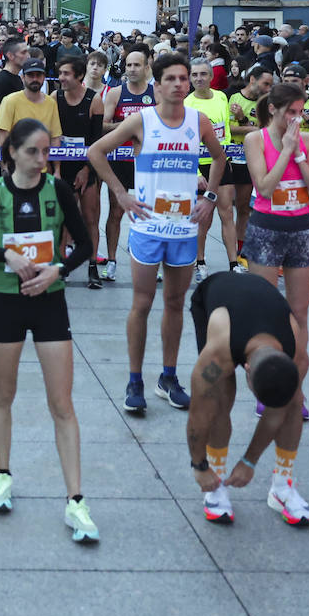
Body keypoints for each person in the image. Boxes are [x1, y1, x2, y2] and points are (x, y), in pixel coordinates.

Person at [0, 118, 99, 542]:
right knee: (3, 394)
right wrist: (6, 256)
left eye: (45, 151)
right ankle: (2, 475)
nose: (42, 159)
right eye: (33, 151)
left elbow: (86, 245)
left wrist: (58, 267)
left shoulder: (57, 190)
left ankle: (76, 500)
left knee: (62, 403)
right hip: (6, 302)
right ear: (12, 153)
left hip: (50, 303)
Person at [89, 51, 224, 414]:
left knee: (176, 304)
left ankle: (168, 377)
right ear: (157, 84)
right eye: (172, 79)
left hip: (183, 229)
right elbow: (96, 151)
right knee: (142, 304)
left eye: (184, 78)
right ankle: (135, 381)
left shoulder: (199, 121)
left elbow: (221, 157)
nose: (180, 85)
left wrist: (209, 197)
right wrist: (120, 194)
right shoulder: (142, 121)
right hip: (148, 227)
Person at [186, 271, 309, 526]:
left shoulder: (296, 353)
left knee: (294, 402)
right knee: (219, 398)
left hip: (263, 305)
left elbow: (280, 409)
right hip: (216, 299)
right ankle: (216, 479)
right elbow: (198, 412)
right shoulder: (216, 356)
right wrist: (199, 466)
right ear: (247, 368)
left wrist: (249, 461)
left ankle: (282, 487)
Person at [242, 81, 309, 420]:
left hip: (300, 228)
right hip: (266, 228)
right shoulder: (255, 139)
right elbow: (264, 185)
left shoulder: (306, 139)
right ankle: (265, 385)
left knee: (299, 314)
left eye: (300, 112)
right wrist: (286, 151)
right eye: (291, 112)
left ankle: (295, 390)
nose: (297, 119)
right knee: (265, 312)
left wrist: (300, 154)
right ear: (274, 109)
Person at [97, 48, 155, 280]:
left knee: (148, 211)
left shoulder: (155, 93)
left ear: (146, 67)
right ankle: (112, 260)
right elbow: (103, 125)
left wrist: (139, 125)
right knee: (116, 211)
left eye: (136, 65)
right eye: (128, 65)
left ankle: (149, 261)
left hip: (146, 160)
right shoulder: (115, 93)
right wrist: (129, 126)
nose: (131, 69)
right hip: (119, 160)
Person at [52, 53, 104, 289]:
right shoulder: (55, 97)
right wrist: (57, 170)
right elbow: (54, 137)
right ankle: (63, 265)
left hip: (87, 166)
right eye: (60, 73)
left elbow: (96, 141)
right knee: (63, 220)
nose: (61, 78)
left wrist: (86, 169)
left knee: (90, 218)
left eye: (66, 74)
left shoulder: (94, 100)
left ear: (79, 76)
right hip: (63, 167)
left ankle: (92, 266)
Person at [185, 57, 238, 281]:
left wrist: (227, 158)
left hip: (221, 164)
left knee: (227, 214)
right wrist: (195, 173)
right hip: (199, 167)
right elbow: (184, 141)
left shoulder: (221, 97)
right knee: (202, 218)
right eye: (195, 74)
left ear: (211, 76)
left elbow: (224, 130)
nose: (199, 78)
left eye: (203, 74)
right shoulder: (187, 103)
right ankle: (200, 262)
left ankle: (234, 263)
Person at [228, 64, 273, 265]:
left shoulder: (267, 102)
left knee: (244, 206)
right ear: (252, 80)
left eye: (271, 84)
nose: (268, 88)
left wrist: (243, 121)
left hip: (251, 158)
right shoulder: (232, 96)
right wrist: (250, 128)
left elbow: (266, 129)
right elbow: (228, 129)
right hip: (230, 158)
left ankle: (241, 252)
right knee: (225, 208)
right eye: (266, 83)